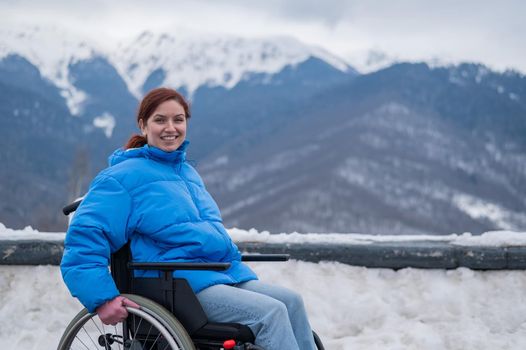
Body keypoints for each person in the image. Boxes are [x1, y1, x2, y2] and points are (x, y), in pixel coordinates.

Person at [60, 87, 317, 350]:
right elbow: (84, 239)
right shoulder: (121, 178)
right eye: (160, 120)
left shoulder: (187, 173)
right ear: (143, 125)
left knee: (292, 302)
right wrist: (102, 299)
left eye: (178, 119)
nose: (170, 128)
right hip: (174, 285)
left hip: (218, 273)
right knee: (270, 314)